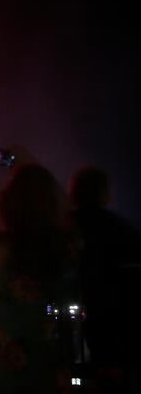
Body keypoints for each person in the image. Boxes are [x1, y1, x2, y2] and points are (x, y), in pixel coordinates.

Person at [0, 146, 80, 394]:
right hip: (49, 374)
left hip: (2, 378)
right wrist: (27, 161)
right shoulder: (66, 246)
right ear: (51, 204)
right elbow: (71, 212)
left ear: (6, 205)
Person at [69, 166, 141, 392]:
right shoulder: (121, 229)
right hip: (120, 319)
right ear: (105, 194)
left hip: (86, 314)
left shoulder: (65, 228)